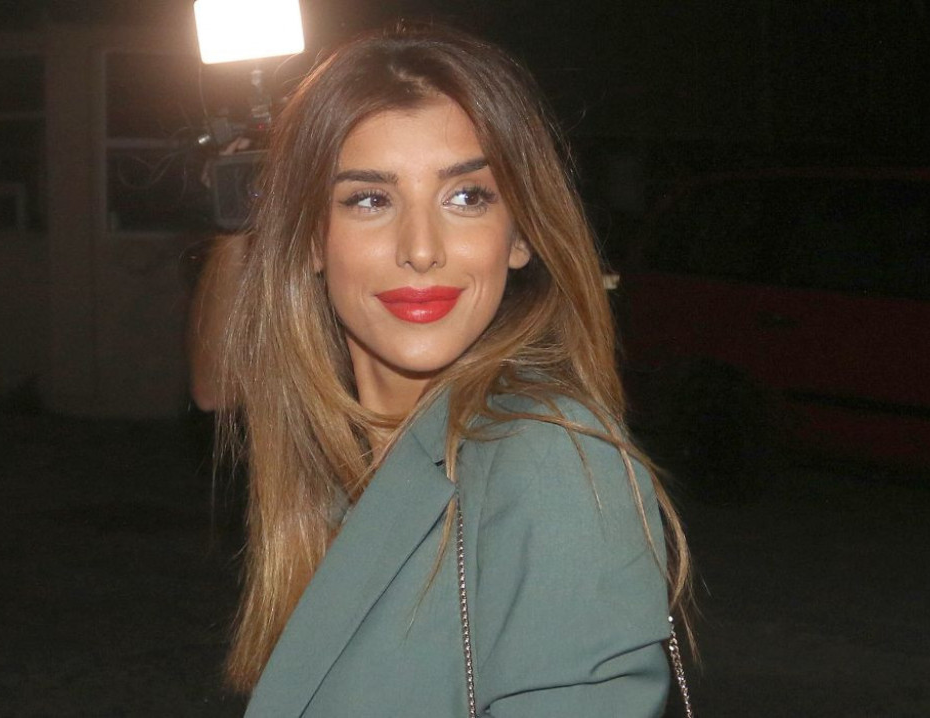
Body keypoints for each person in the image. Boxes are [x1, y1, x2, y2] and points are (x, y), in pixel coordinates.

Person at [197, 23, 693, 717]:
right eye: (370, 199)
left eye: (466, 197)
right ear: (310, 240)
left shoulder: (549, 457)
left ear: (519, 234)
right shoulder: (350, 468)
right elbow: (217, 384)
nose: (422, 249)